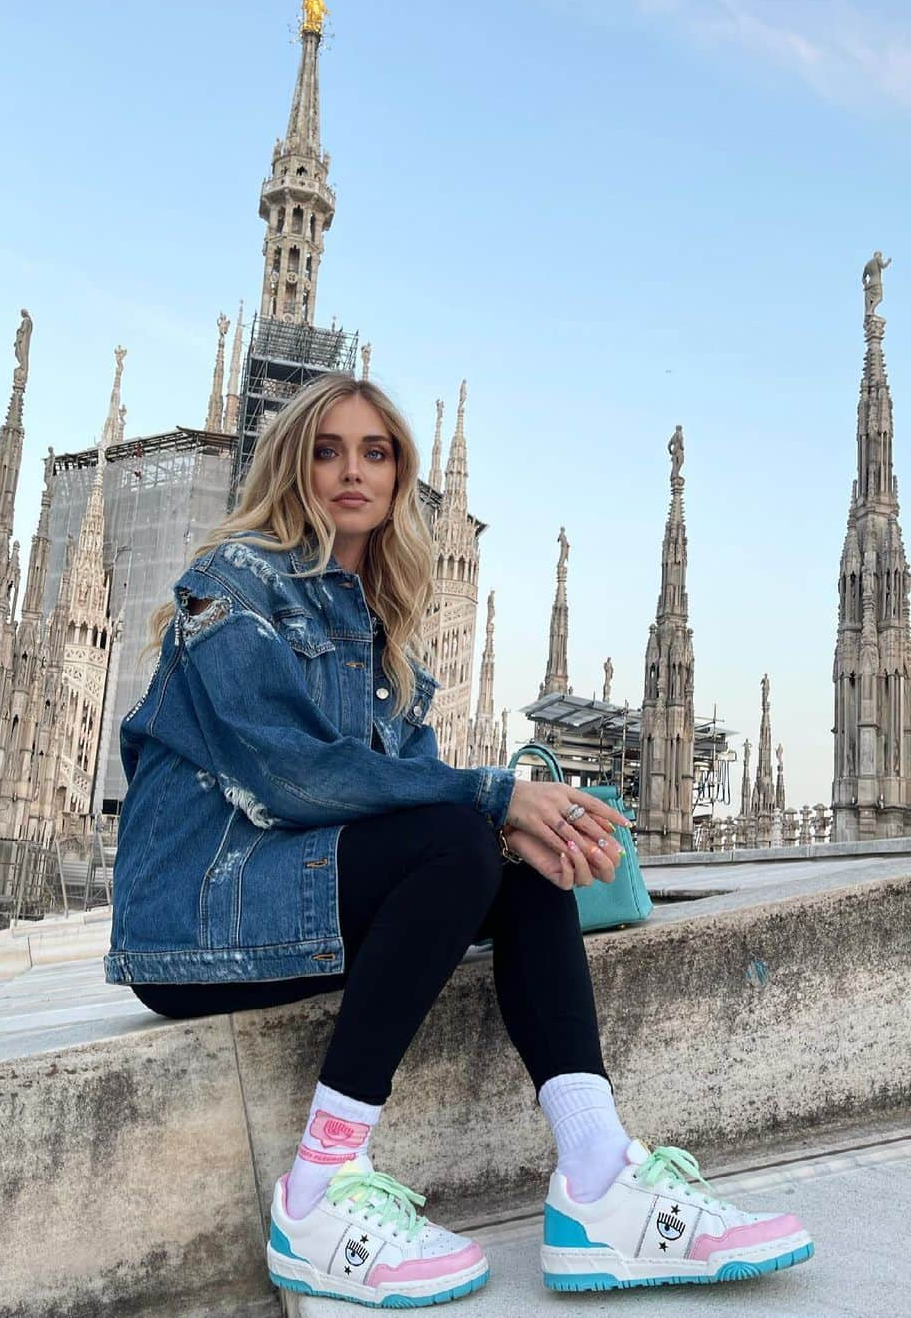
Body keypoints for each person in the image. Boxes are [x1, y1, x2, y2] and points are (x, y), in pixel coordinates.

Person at [105, 372, 813, 1306]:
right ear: (291, 467)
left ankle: (598, 1181)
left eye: (375, 451)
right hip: (197, 924)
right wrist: (496, 794)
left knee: (510, 861)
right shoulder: (234, 584)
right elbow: (293, 774)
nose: (351, 471)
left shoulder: (383, 634)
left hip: (294, 906)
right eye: (326, 450)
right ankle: (317, 1193)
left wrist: (534, 833)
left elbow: (431, 809)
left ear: (400, 478)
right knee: (469, 832)